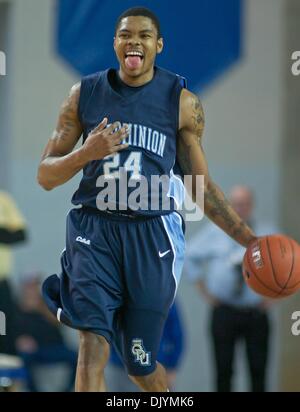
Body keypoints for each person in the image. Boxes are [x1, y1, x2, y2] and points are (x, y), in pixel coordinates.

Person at [37, 7, 258, 392]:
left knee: (141, 364)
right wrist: (85, 154)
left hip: (151, 235)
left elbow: (200, 189)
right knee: (91, 344)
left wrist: (250, 241)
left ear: (158, 45)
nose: (133, 41)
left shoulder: (182, 102)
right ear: (115, 44)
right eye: (125, 35)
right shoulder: (83, 94)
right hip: (95, 230)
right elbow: (45, 175)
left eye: (143, 35)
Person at [185, 186, 276, 392]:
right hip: (224, 313)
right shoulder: (214, 232)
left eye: (244, 204)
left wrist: (275, 297)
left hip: (256, 314)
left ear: (251, 205)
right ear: (229, 207)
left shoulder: (268, 234)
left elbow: (288, 267)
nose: (240, 209)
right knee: (224, 372)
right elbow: (189, 254)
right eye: (236, 204)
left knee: (258, 372)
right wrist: (204, 292)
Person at [14, 272, 77, 392]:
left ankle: (66, 389)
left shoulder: (47, 304)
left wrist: (43, 307)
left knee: (76, 356)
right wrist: (20, 341)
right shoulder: (17, 309)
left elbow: (60, 322)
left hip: (54, 347)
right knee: (24, 358)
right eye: (29, 286)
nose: (32, 290)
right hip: (34, 350)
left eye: (35, 285)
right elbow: (12, 332)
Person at [108, 300, 185, 392]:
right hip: (121, 367)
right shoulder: (115, 294)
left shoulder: (164, 294)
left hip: (156, 365)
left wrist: (172, 365)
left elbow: (177, 334)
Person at [0, 190, 27, 355]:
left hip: (1, 282)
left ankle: (5, 375)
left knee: (3, 330)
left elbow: (21, 234)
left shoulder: (3, 200)